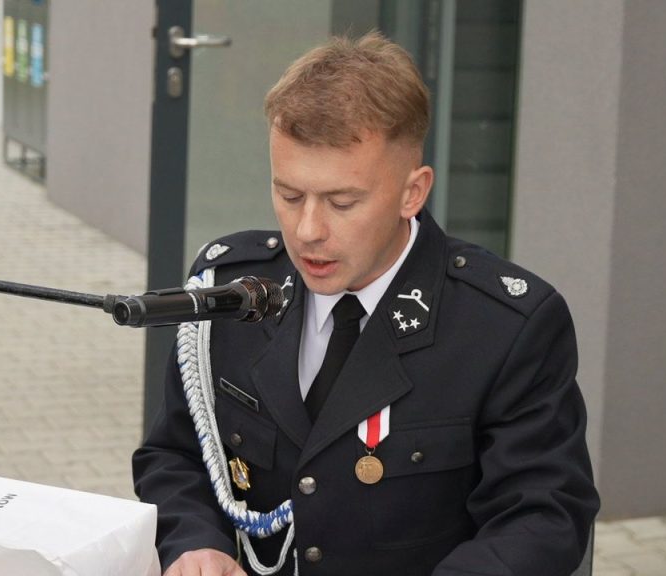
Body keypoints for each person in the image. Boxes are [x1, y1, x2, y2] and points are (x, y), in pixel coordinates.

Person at [133, 32, 599, 576]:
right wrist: (194, 542)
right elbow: (176, 454)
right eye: (289, 195)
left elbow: (543, 515)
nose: (308, 230)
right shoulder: (235, 290)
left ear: (412, 192)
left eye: (342, 202)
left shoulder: (504, 327)